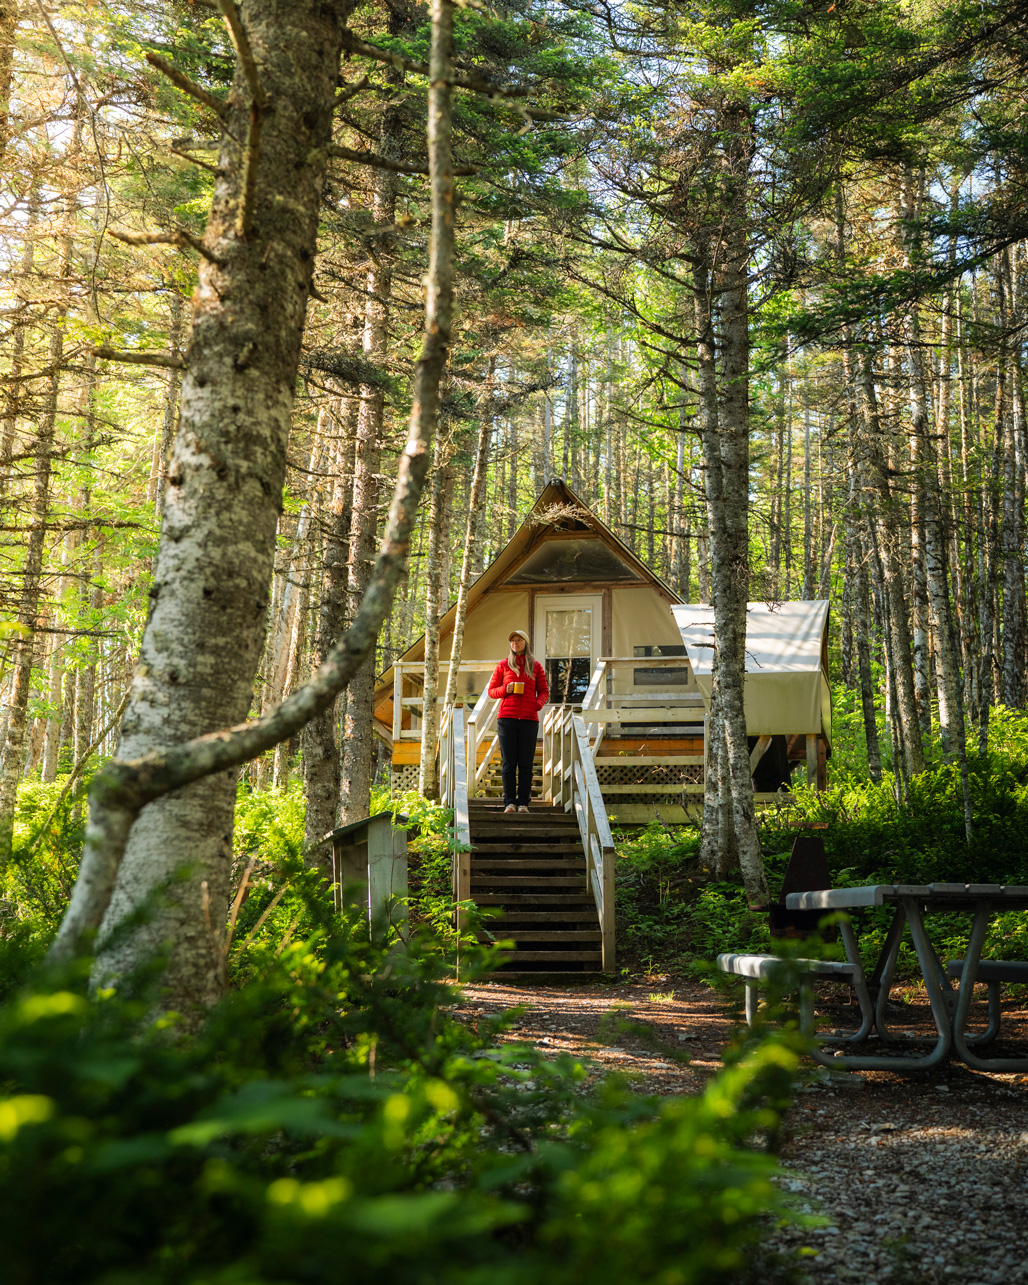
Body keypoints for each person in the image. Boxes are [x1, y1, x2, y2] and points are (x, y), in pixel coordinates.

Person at [488, 630, 549, 813]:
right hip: (506, 719)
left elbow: (544, 691)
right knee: (508, 764)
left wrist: (536, 705)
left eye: (519, 640)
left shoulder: (535, 666)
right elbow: (492, 691)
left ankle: (523, 803)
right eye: (512, 640)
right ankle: (509, 803)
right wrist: (505, 689)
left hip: (529, 720)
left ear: (525, 643)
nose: (515, 643)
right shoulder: (503, 665)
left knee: (525, 764)